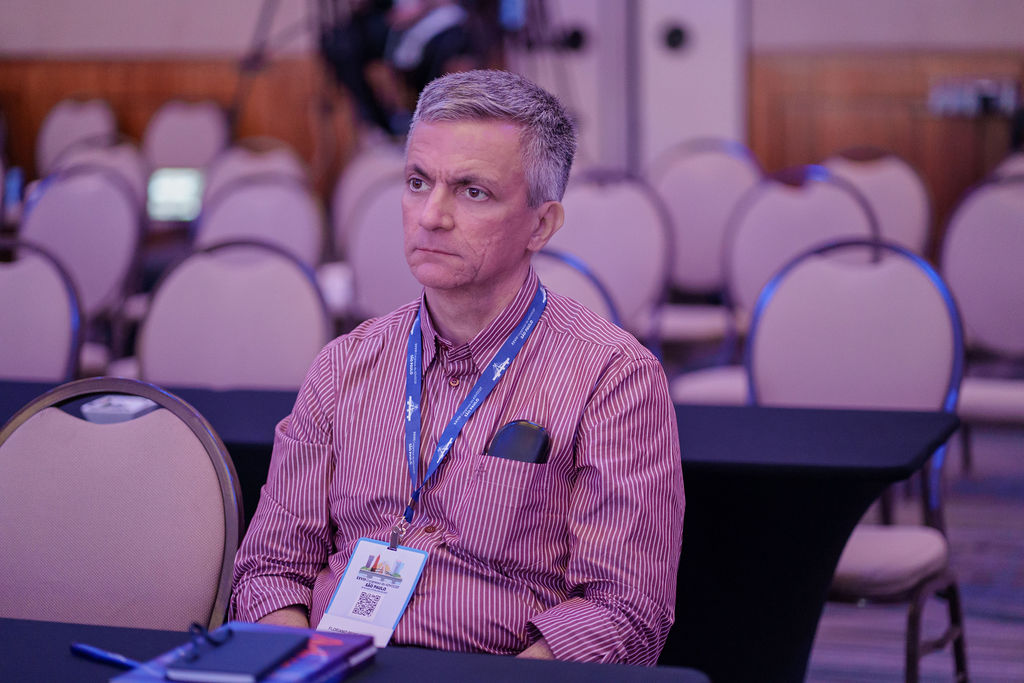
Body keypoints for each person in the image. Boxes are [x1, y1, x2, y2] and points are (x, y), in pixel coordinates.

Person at [230, 69, 684, 665]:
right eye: (418, 183)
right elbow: (270, 569)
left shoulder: (613, 378)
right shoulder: (344, 366)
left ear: (541, 225)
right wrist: (307, 669)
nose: (431, 216)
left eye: (473, 192)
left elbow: (625, 611)